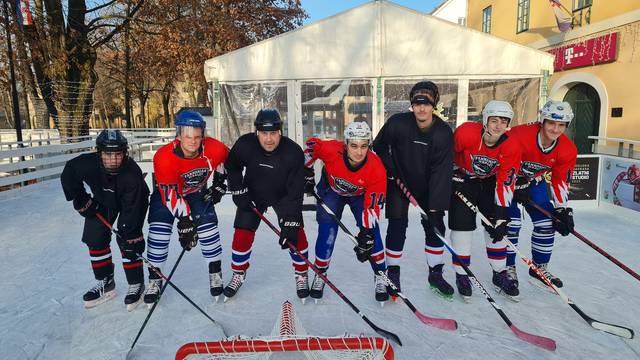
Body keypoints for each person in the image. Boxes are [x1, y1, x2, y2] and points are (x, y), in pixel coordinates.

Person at [371, 81, 455, 300]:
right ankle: (393, 272)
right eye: (417, 103)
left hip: (429, 186)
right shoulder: (398, 123)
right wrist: (389, 169)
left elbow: (442, 170)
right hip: (399, 181)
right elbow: (379, 146)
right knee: (397, 225)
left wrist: (436, 206)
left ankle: (435, 273)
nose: (421, 108)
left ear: (434, 104)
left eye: (426, 103)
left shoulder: (443, 133)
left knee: (435, 226)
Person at [223, 109, 310, 302]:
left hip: (284, 196)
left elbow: (296, 191)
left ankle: (302, 274)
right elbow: (232, 166)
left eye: (273, 133)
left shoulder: (293, 152)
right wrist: (238, 191)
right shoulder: (246, 144)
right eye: (264, 133)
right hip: (253, 194)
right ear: (257, 133)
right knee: (242, 232)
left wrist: (292, 221)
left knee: (296, 235)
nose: (268, 139)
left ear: (280, 132)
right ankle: (238, 272)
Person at [144, 110, 229, 304]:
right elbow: (170, 195)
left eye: (197, 136)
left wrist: (220, 182)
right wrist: (185, 222)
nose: (192, 141)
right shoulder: (164, 156)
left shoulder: (214, 147)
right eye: (188, 136)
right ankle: (155, 279)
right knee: (159, 232)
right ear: (179, 135)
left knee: (208, 229)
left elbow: (228, 161)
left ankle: (215, 273)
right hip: (167, 193)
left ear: (203, 135)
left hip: (196, 193)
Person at [61, 129, 150, 310]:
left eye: (118, 154)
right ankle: (106, 282)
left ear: (124, 153)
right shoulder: (88, 164)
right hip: (103, 201)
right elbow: (70, 171)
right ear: (99, 153)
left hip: (132, 201)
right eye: (108, 154)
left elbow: (134, 208)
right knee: (95, 237)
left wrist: (129, 231)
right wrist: (81, 199)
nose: (113, 159)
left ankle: (136, 283)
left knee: (128, 239)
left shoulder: (132, 174)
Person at [304, 121, 388, 304]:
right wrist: (307, 174)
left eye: (364, 146)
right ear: (346, 144)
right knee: (327, 231)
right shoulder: (332, 150)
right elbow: (311, 147)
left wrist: (365, 233)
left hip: (360, 195)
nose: (359, 152)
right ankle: (321, 272)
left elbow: (372, 206)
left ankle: (381, 274)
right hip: (332, 191)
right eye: (354, 146)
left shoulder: (376, 169)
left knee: (372, 233)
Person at [447, 100, 521, 302]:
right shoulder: (466, 132)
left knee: (495, 227)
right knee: (461, 228)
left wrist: (502, 212)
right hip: (462, 180)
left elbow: (506, 181)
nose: (498, 125)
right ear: (485, 120)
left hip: (489, 184)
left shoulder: (512, 145)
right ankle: (462, 275)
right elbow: (446, 155)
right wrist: (450, 176)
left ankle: (500, 273)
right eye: (494, 120)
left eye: (503, 121)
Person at [506, 100, 578, 291]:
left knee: (547, 222)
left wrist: (562, 209)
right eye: (552, 123)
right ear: (543, 121)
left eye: (561, 125)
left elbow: (560, 179)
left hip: (533, 182)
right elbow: (500, 159)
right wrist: (513, 185)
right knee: (511, 224)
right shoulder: (519, 135)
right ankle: (507, 268)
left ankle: (539, 269)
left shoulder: (568, 149)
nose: (555, 129)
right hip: (506, 181)